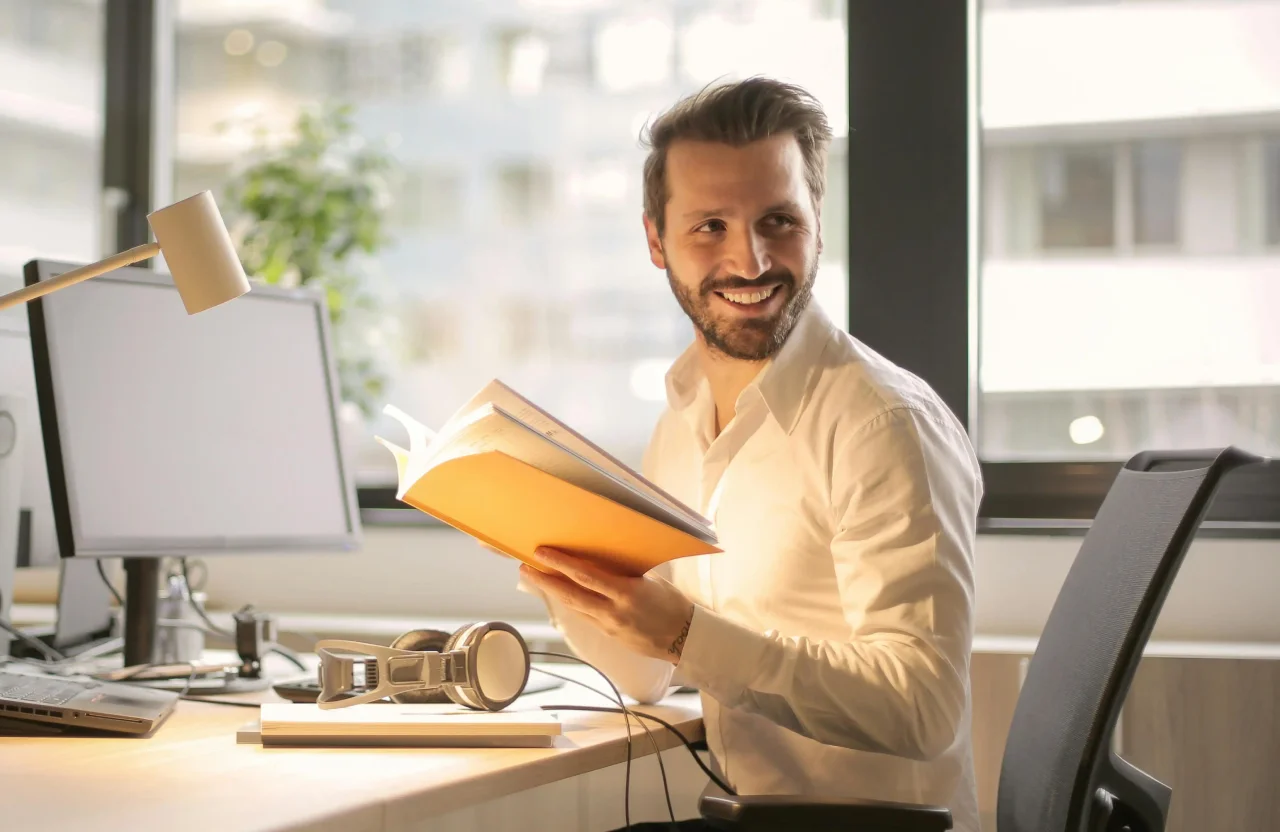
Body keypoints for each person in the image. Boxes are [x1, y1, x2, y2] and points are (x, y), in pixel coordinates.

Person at [518, 77, 982, 832]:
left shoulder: (882, 423)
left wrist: (684, 632)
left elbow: (922, 706)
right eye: (709, 227)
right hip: (747, 814)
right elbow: (645, 675)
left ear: (817, 224)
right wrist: (567, 576)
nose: (751, 259)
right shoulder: (684, 415)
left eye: (779, 220)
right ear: (654, 239)